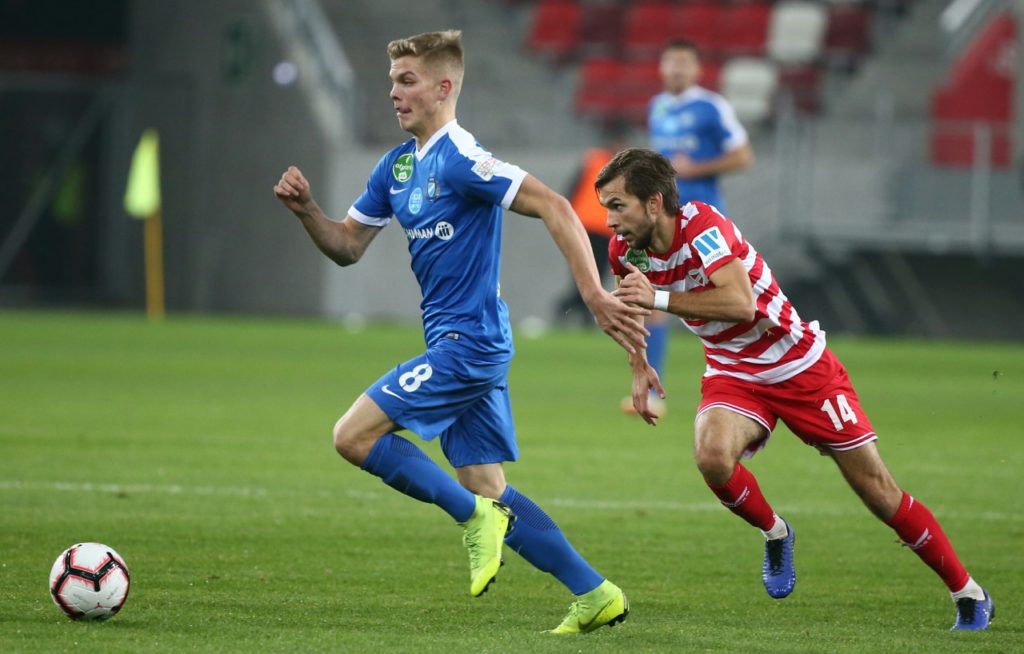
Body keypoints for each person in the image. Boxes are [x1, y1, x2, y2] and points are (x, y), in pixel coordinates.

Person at [273, 30, 645, 634]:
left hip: (469, 344)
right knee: (487, 486)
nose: (394, 93)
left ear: (444, 88)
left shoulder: (462, 158)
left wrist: (594, 294)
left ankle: (473, 519)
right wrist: (308, 211)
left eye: (408, 81)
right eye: (393, 81)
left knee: (353, 436)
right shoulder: (398, 166)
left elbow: (555, 205)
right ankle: (595, 592)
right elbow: (347, 245)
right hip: (458, 343)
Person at [597, 147, 994, 631]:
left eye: (617, 205)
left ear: (654, 202)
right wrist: (639, 364)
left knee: (878, 492)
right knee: (712, 457)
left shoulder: (702, 226)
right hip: (733, 371)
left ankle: (969, 593)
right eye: (606, 208)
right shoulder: (625, 250)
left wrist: (660, 297)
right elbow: (634, 308)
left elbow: (741, 304)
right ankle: (776, 532)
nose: (610, 220)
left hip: (800, 366)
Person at [631, 39, 757, 419]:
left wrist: (694, 169)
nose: (676, 70)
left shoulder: (711, 107)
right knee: (652, 302)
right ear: (661, 68)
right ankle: (652, 391)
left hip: (703, 224)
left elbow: (743, 157)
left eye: (684, 63)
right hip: (663, 224)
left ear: (697, 70)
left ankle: (750, 381)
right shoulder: (657, 106)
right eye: (671, 63)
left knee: (725, 304)